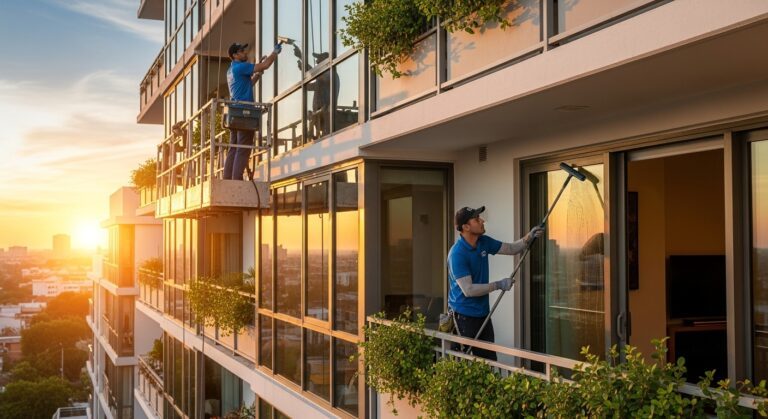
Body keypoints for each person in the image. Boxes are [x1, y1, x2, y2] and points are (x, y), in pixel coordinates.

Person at [447, 206, 544, 360]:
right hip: (463, 317)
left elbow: (512, 248)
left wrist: (528, 237)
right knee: (463, 363)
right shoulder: (457, 254)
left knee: (489, 362)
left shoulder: (483, 242)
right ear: (465, 227)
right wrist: (498, 285)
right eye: (477, 219)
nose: (482, 220)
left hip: (483, 315)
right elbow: (469, 290)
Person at [223, 42, 280, 180]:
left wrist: (257, 74)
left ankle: (228, 178)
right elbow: (265, 65)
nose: (245, 53)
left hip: (235, 112)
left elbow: (248, 84)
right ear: (235, 55)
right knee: (243, 148)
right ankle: (236, 179)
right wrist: (275, 53)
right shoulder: (241, 67)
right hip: (244, 113)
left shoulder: (231, 70)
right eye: (242, 51)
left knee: (234, 148)